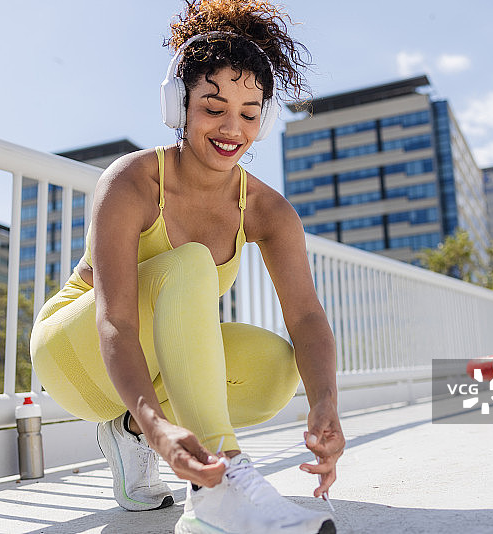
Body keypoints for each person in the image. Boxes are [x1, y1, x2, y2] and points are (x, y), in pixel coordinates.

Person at [30, 1, 344, 532]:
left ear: (264, 120)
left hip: (151, 364)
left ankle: (127, 432)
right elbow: (116, 320)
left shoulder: (268, 210)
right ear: (179, 106)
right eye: (213, 107)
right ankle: (221, 488)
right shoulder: (132, 181)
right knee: (191, 262)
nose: (231, 129)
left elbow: (308, 319)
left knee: (278, 371)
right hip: (76, 356)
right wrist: (160, 426)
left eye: (249, 114)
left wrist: (326, 406)